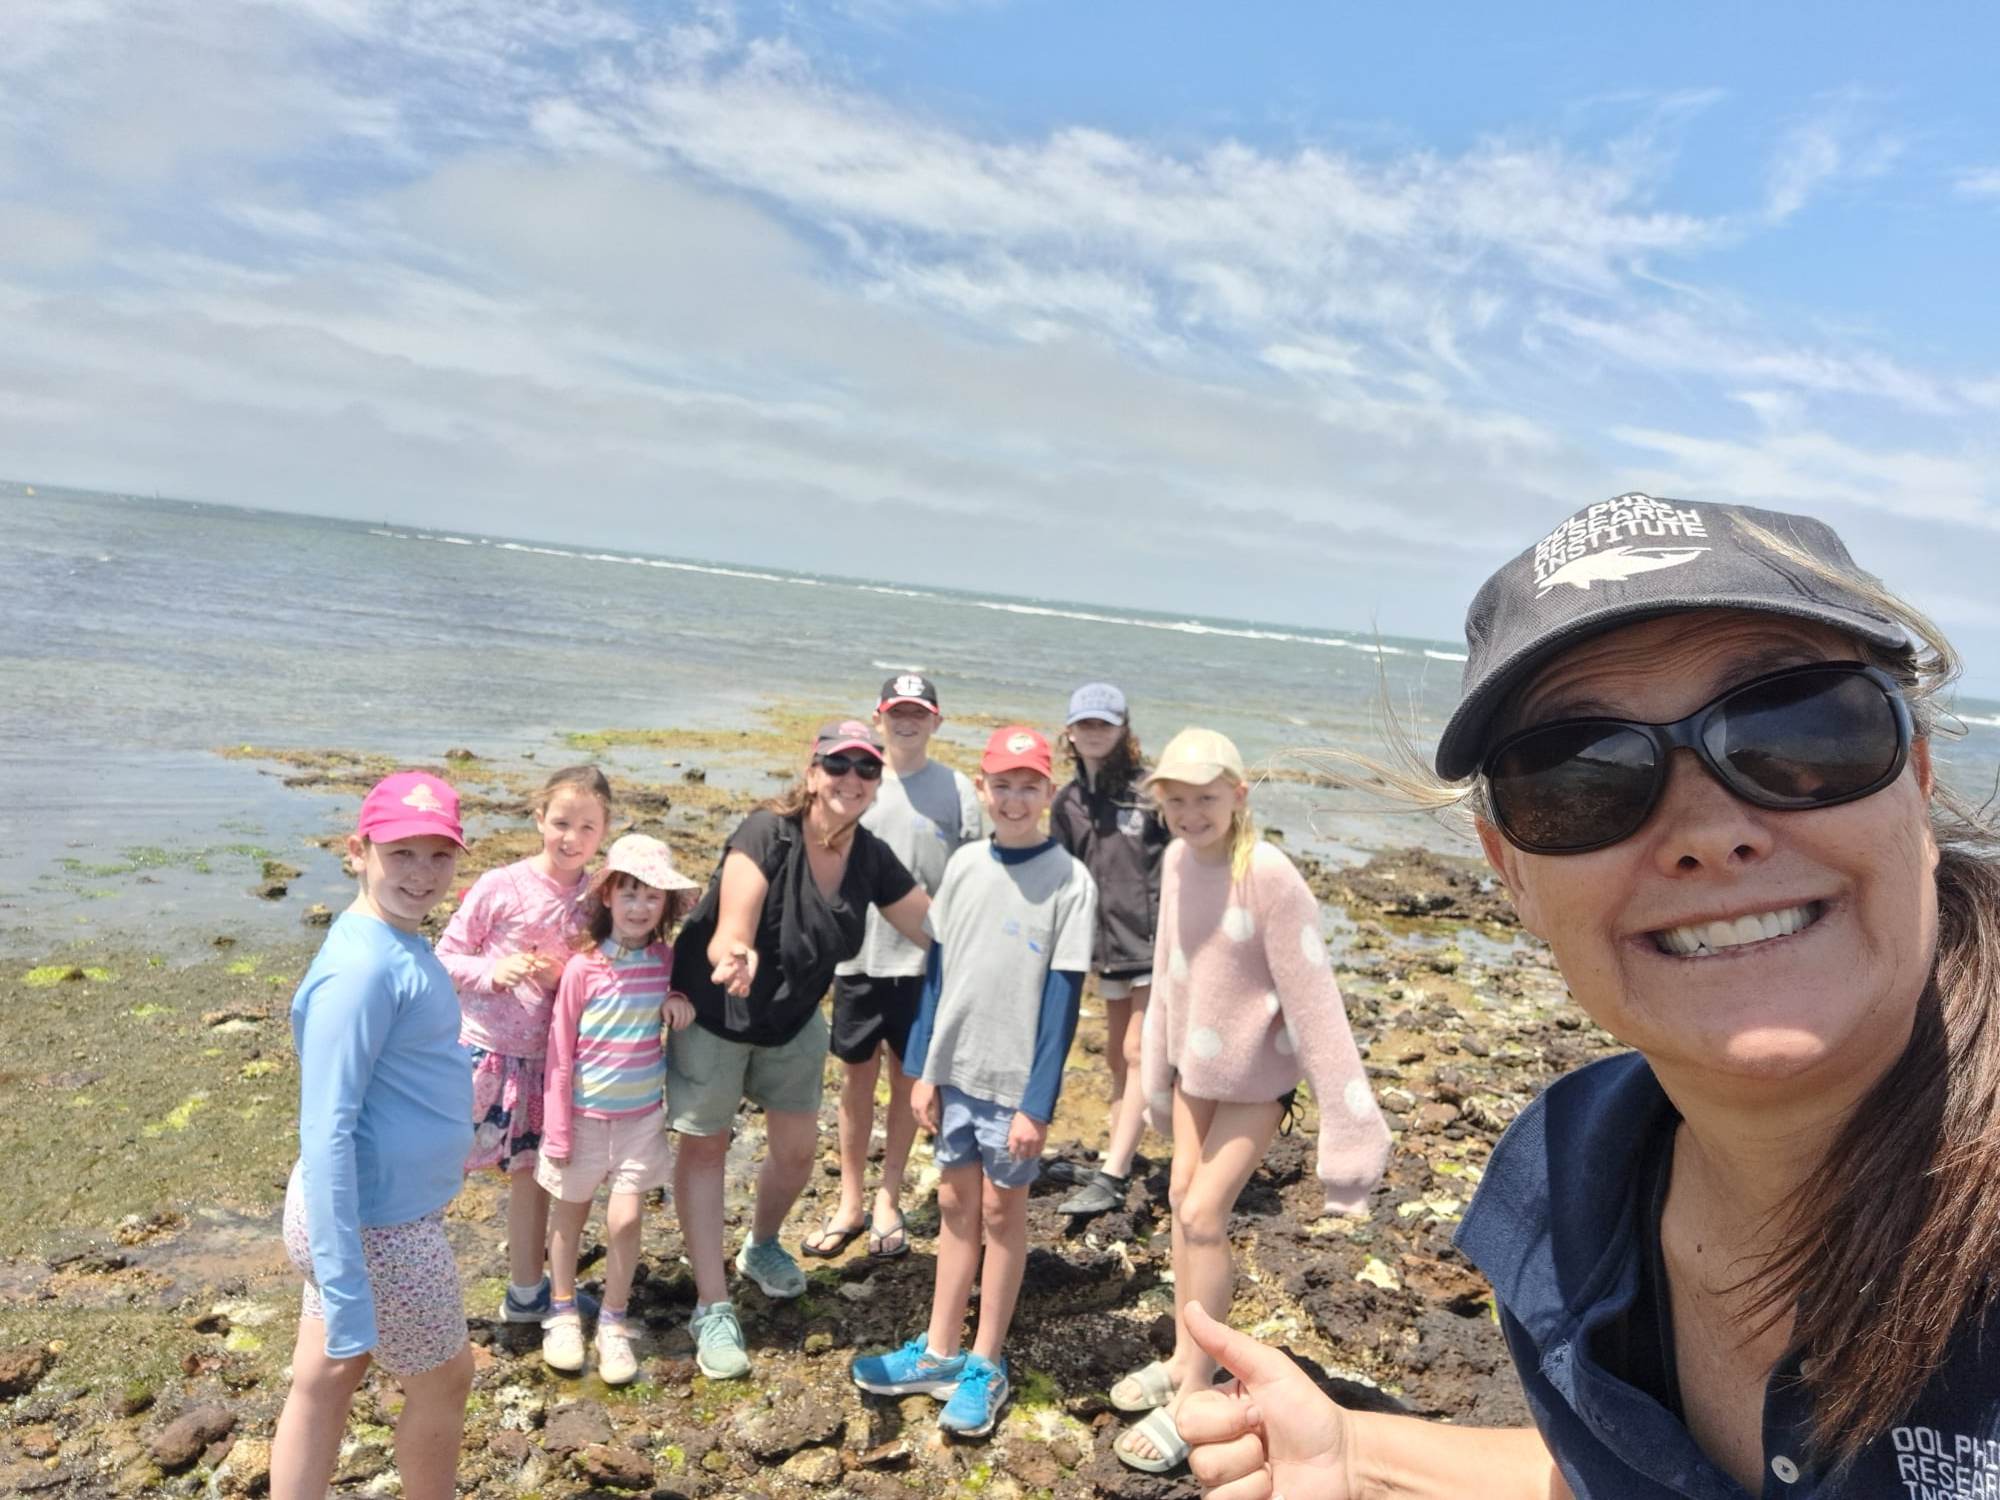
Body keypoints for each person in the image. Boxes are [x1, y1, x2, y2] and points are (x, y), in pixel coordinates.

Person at [1179, 494, 2000, 1499]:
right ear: (1508, 872)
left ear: (1913, 774)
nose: (1707, 829)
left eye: (1799, 728)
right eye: (1578, 776)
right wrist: (1365, 1457)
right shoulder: (1563, 1197)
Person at [1113, 727, 1389, 1473]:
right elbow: (1171, 971)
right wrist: (1158, 1079)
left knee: (1204, 1216)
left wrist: (1351, 1129)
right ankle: (1180, 1356)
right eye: (1176, 800)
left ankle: (1196, 1394)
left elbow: (1317, 1006)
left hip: (1255, 1086)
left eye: (1206, 798)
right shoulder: (1175, 860)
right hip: (1197, 1078)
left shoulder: (1266, 873)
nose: (1191, 813)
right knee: (1179, 1201)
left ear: (1239, 797)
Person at [850, 725, 1098, 1438]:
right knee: (956, 1205)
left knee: (1001, 1217)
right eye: (1002, 785)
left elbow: (1062, 1001)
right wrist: (923, 1069)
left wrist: (1037, 1103)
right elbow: (936, 975)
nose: (1014, 799)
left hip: (1013, 1085)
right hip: (952, 1077)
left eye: (1029, 786)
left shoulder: (1069, 883)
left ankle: (986, 1363)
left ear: (1048, 793)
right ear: (982, 790)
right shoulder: (961, 866)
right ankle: (938, 1350)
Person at [667, 719, 933, 1379]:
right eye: (837, 766)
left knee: (795, 1154)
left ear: (877, 784)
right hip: (717, 1014)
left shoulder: (869, 855)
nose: (851, 779)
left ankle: (760, 1246)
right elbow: (733, 922)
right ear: (812, 773)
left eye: (866, 769)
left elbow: (933, 926)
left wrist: (1014, 957)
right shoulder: (766, 832)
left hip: (791, 1024)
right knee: (706, 1148)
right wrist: (737, 952)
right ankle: (712, 1303)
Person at [271, 772, 475, 1500]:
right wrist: (347, 1279)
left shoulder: (393, 942)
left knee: (325, 1376)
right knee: (447, 1381)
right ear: (358, 851)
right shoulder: (361, 967)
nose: (421, 875)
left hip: (363, 1213)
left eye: (438, 856)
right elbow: (326, 1127)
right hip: (373, 1225)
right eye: (401, 854)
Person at [808, 674, 983, 1262]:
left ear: (937, 720)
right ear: (878, 716)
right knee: (855, 1081)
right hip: (857, 959)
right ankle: (850, 1199)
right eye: (897, 711)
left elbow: (978, 874)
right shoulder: (855, 782)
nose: (907, 721)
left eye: (919, 712)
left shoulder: (958, 790)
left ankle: (890, 1197)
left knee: (910, 1083)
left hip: (924, 965)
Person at [435, 765, 612, 1324]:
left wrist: (563, 977)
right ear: (538, 819)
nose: (571, 837)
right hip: (481, 1054)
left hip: (548, 1065)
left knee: (533, 1178)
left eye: (587, 827)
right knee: (440, 1168)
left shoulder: (599, 896)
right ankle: (392, 1266)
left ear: (604, 831)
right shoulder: (499, 885)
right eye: (560, 822)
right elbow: (444, 957)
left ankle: (527, 1293)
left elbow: (606, 973)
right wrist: (496, 969)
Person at [536, 835, 699, 1384]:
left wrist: (678, 999)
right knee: (569, 1214)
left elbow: (678, 995)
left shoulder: (665, 961)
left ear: (666, 907)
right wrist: (555, 1128)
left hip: (640, 1119)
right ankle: (561, 1310)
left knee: (626, 1217)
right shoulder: (583, 969)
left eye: (652, 897)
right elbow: (559, 1052)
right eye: (629, 893)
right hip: (581, 1118)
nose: (639, 907)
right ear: (607, 896)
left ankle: (612, 1320)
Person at [1046, 682, 1170, 1217]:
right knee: (1120, 1060)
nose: (1094, 732)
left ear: (1124, 729)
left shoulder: (1151, 792)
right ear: (1070, 732)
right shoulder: (1067, 802)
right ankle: (1117, 1151)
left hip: (1153, 945)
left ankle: (1115, 1174)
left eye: (1104, 723)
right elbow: (1059, 878)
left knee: (1141, 1054)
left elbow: (1183, 859)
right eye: (1085, 724)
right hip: (1104, 951)